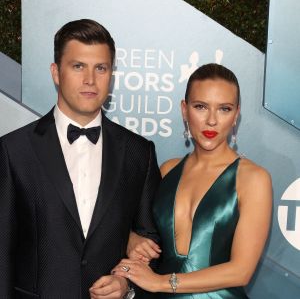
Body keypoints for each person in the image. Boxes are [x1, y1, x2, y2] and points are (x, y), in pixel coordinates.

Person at [0, 19, 161, 298]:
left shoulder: (138, 152)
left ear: (111, 73)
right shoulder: (13, 150)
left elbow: (150, 241)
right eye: (78, 66)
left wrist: (127, 282)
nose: (90, 79)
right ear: (56, 72)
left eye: (101, 68)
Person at [112, 63, 272, 298]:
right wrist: (132, 238)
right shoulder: (168, 170)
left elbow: (241, 271)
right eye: (201, 107)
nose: (211, 121)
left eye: (224, 109)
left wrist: (161, 283)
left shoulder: (253, 179)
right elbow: (144, 233)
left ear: (236, 114)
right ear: (184, 110)